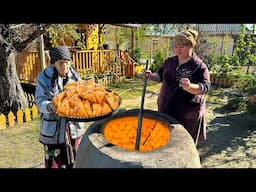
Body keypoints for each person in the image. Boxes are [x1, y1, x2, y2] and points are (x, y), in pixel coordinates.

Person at [144, 29, 211, 145]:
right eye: (176, 46)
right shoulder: (170, 61)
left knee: (184, 142)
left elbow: (205, 87)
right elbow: (160, 76)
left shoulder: (199, 66)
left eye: (182, 46)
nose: (178, 49)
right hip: (166, 106)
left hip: (187, 113)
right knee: (165, 136)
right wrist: (150, 76)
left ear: (191, 46)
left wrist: (190, 87)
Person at [35, 45, 85, 168]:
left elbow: (82, 96)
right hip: (53, 132)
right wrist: (51, 106)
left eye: (67, 62)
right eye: (61, 63)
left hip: (73, 128)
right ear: (53, 63)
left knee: (77, 161)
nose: (65, 66)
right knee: (54, 163)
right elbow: (40, 102)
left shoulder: (75, 76)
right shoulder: (43, 77)